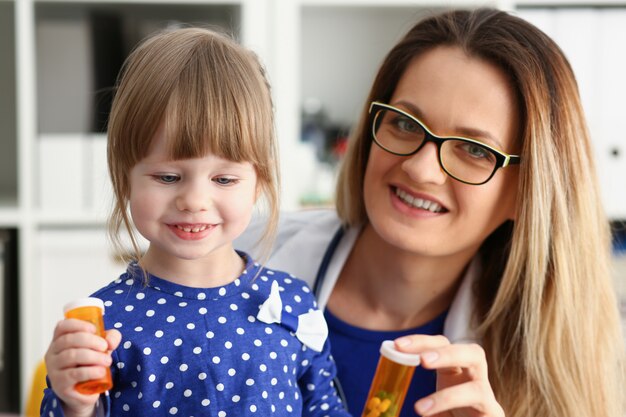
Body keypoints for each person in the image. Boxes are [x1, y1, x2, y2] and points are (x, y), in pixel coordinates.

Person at [236, 8, 626, 417]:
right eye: (405, 124)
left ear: (528, 192)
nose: (421, 169)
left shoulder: (554, 363)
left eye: (475, 150)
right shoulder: (234, 252)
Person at [41, 27, 350, 417]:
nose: (194, 201)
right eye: (168, 177)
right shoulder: (103, 325)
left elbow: (324, 407)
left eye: (224, 179)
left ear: (259, 183)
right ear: (124, 178)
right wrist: (74, 402)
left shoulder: (292, 303)